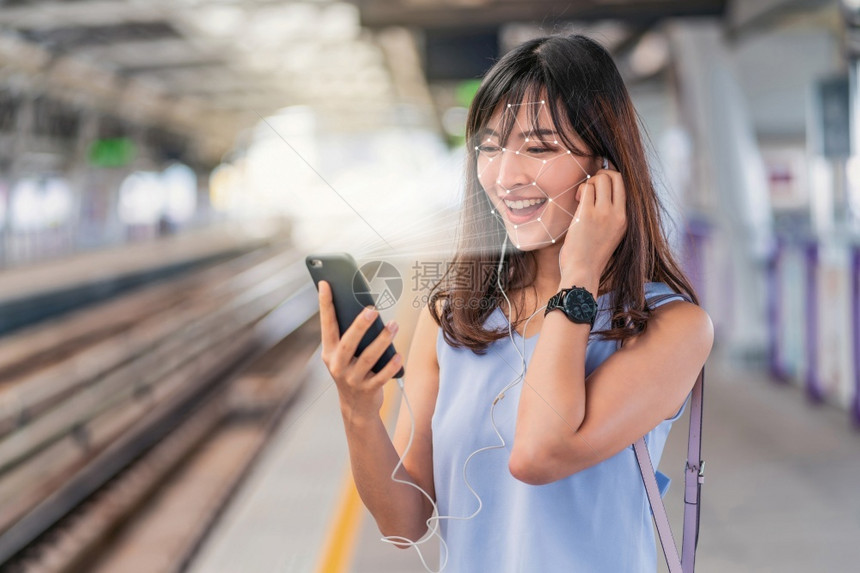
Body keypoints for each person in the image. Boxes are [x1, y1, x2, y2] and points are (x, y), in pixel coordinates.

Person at [317, 33, 713, 572]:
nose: (505, 177)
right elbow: (404, 524)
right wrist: (357, 411)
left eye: (540, 147)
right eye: (489, 147)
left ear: (607, 170)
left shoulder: (671, 326)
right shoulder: (456, 319)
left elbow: (538, 453)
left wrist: (579, 275)